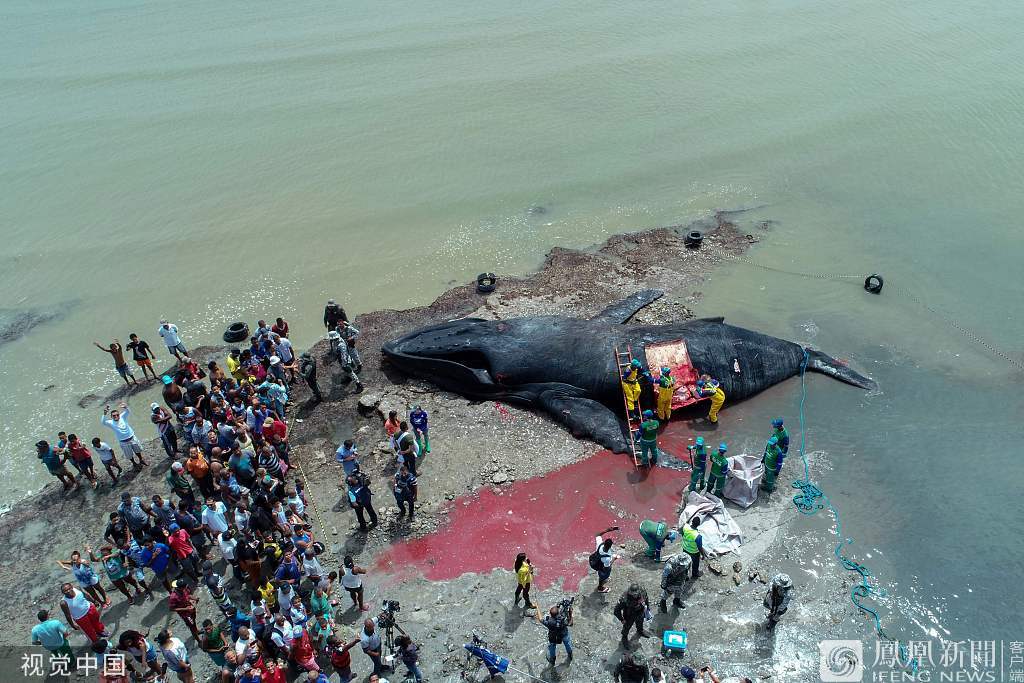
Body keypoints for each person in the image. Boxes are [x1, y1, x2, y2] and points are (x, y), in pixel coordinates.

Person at [614, 583, 651, 649]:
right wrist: (621, 619)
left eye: (636, 594)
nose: (635, 595)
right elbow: (616, 610)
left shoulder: (642, 591)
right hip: (629, 614)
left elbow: (646, 598)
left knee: (640, 622)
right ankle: (624, 637)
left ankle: (640, 630)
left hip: (640, 611)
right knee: (627, 627)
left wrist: (647, 607)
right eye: (633, 594)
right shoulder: (624, 598)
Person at [593, 526, 620, 593]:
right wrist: (614, 558)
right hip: (602, 567)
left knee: (603, 576)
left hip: (597, 560)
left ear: (604, 543)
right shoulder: (607, 558)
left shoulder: (600, 544)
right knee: (602, 577)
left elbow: (597, 534)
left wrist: (607, 530)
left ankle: (604, 579)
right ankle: (600, 588)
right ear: (610, 546)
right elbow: (607, 568)